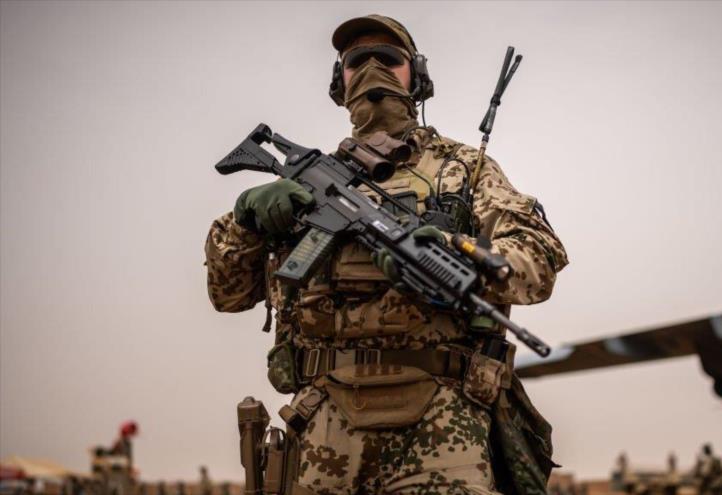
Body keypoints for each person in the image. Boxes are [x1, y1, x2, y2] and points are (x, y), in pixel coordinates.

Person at [205, 14, 567, 495]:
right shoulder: (304, 186)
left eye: (389, 59)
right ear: (340, 81)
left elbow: (537, 258)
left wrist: (457, 256)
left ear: (415, 76)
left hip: (443, 427)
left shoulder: (462, 169)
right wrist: (244, 222)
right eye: (357, 61)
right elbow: (227, 295)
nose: (373, 68)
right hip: (322, 426)